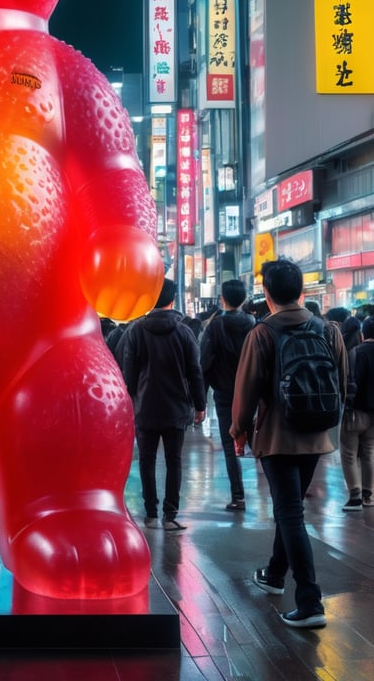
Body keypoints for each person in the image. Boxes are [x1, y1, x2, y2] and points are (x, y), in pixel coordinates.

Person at [230, 257, 348, 629]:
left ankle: (310, 600)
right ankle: (274, 573)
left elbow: (245, 391)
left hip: (277, 437)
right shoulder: (329, 330)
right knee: (290, 507)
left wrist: (239, 431)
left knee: (291, 513)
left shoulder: (262, 333)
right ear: (300, 291)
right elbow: (342, 385)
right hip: (317, 437)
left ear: (266, 293)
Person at [121, 277, 206, 531]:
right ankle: (170, 515)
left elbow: (129, 376)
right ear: (172, 300)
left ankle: (150, 513)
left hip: (144, 408)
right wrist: (200, 405)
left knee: (146, 460)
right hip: (177, 408)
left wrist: (131, 404)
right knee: (174, 460)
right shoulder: (184, 332)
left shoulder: (135, 331)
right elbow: (195, 372)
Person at [199, 279, 255, 511]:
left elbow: (204, 363)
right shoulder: (254, 324)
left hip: (224, 394)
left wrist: (200, 399)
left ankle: (238, 496)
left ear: (223, 299)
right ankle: (275, 496)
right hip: (252, 393)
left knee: (229, 444)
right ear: (243, 299)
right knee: (260, 443)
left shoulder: (215, 326)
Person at [339, 315, 374, 511]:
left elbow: (353, 381)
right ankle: (369, 495)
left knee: (349, 454)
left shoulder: (358, 352)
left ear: (363, 333)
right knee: (369, 452)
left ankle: (355, 496)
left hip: (356, 412)